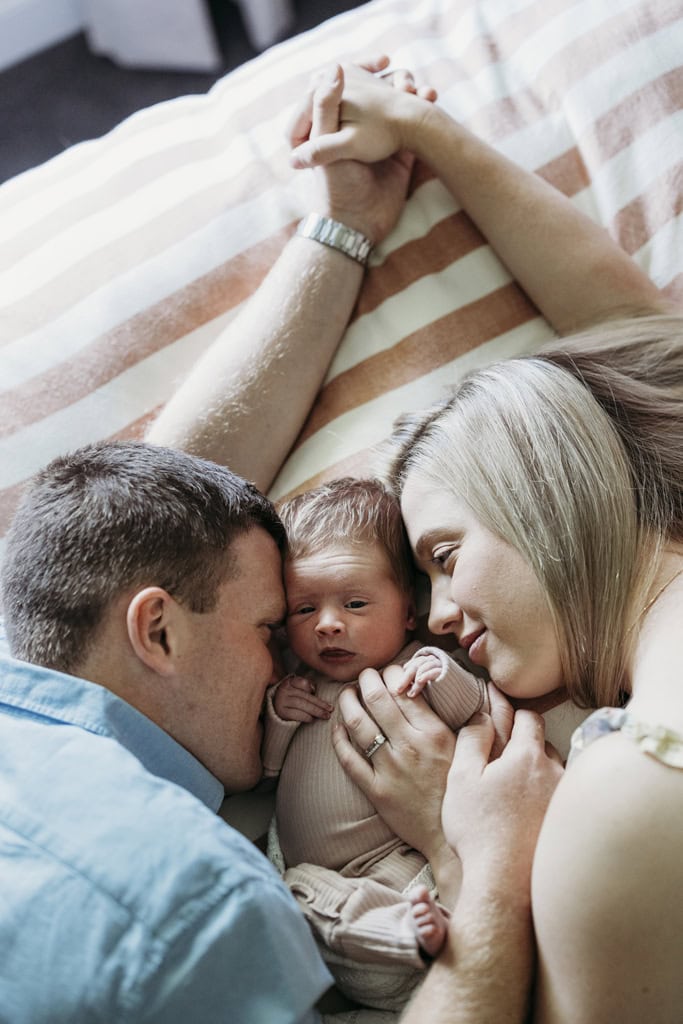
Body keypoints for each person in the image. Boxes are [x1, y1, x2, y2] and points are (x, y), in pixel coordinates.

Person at [284, 66, 682, 1023]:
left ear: (547, 486)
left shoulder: (624, 799)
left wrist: (472, 850)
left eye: (445, 556)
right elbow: (627, 324)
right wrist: (433, 133)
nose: (440, 619)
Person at [262, 477, 488, 1009]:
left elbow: (474, 711)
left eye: (356, 602)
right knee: (293, 889)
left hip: (408, 869)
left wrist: (441, 672)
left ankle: (415, 933)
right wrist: (278, 715)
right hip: (344, 925)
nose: (328, 625)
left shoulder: (410, 670)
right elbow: (267, 773)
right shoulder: (298, 686)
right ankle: (402, 937)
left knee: (301, 886)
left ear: (409, 611)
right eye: (303, 610)